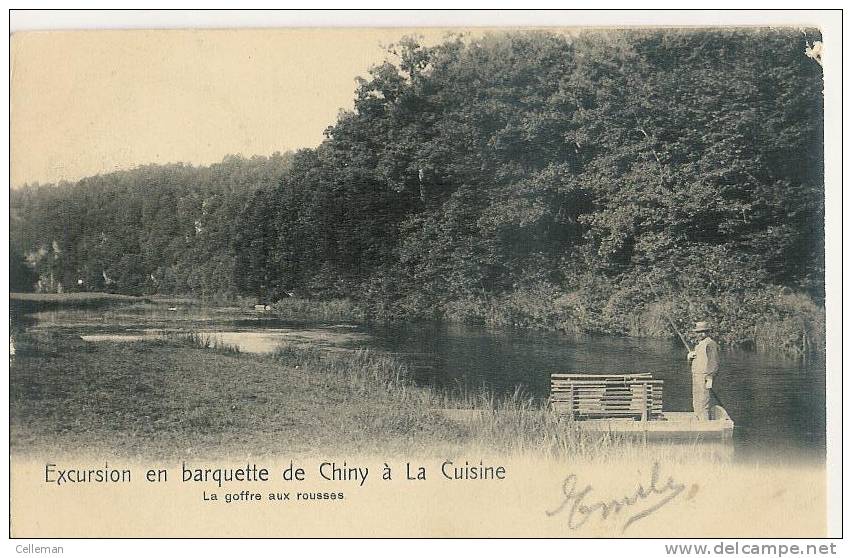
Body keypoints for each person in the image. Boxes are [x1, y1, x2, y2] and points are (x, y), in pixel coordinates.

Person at [686, 321, 720, 420]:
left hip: (704, 377)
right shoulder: (699, 345)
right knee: (696, 400)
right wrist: (689, 358)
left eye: (703, 332)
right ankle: (698, 420)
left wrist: (710, 377)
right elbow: (695, 362)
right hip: (696, 376)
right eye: (698, 332)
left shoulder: (710, 343)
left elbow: (714, 362)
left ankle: (704, 424)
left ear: (708, 332)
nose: (701, 334)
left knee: (703, 402)